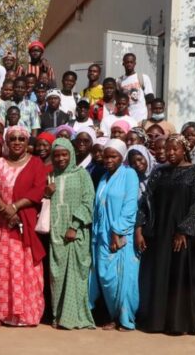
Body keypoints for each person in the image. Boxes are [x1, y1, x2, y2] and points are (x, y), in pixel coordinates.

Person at [136, 134, 195, 335]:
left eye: (174, 149)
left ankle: (178, 324)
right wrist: (139, 228)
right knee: (160, 275)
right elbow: (146, 201)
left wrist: (184, 230)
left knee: (179, 277)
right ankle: (157, 322)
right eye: (166, 149)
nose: (169, 153)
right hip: (160, 234)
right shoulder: (160, 172)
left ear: (184, 150)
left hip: (183, 236)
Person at [0, 126, 47, 326]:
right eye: (12, 138)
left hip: (25, 225)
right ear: (6, 141)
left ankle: (26, 314)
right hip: (3, 225)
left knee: (26, 269)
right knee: (3, 270)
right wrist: (6, 210)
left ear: (27, 141)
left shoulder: (36, 163)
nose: (17, 142)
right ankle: (3, 313)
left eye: (21, 139)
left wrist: (15, 207)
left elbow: (38, 190)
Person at [89, 139, 140, 331]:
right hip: (102, 235)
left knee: (122, 278)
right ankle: (113, 315)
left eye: (114, 156)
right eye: (106, 156)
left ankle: (126, 319)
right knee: (106, 278)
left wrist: (117, 231)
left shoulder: (129, 174)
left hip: (120, 236)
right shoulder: (104, 177)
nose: (109, 160)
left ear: (122, 157)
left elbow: (130, 206)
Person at [46, 138, 96, 330]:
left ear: (71, 154)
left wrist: (74, 226)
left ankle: (74, 318)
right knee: (57, 277)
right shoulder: (51, 176)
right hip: (56, 235)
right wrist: (46, 192)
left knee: (76, 276)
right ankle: (58, 316)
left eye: (64, 154)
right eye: (57, 155)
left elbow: (88, 201)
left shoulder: (82, 174)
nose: (60, 158)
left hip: (76, 234)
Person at [117, 53, 154, 121]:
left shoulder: (143, 77)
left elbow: (150, 99)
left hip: (142, 118)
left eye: (131, 62)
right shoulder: (119, 81)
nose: (129, 64)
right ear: (123, 64)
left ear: (135, 63)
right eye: (127, 62)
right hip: (126, 118)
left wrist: (149, 117)